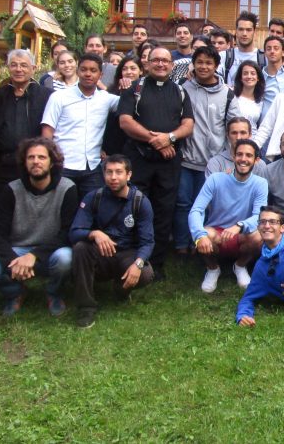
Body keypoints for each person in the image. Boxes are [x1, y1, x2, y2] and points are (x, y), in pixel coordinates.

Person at [0, 137, 77, 317]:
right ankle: (15, 291)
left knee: (66, 259)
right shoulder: (11, 190)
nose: (36, 161)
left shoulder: (67, 189)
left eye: (41, 157)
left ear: (52, 162)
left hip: (50, 251)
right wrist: (14, 261)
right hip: (18, 251)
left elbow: (67, 233)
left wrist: (35, 256)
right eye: (31, 157)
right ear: (24, 162)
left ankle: (54, 292)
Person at [119, 46, 194, 276]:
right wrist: (156, 140)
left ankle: (157, 263)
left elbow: (188, 125)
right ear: (147, 64)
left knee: (164, 211)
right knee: (136, 208)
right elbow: (125, 121)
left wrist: (169, 138)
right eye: (156, 60)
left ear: (172, 66)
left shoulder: (180, 92)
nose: (161, 64)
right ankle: (131, 259)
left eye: (165, 61)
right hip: (139, 160)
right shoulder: (135, 88)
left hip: (168, 164)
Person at [70, 154, 154, 329]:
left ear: (128, 175)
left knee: (145, 273)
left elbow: (148, 241)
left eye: (119, 172)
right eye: (109, 172)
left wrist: (138, 264)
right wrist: (95, 234)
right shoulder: (93, 197)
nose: (113, 177)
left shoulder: (140, 202)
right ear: (104, 175)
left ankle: (121, 290)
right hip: (100, 253)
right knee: (80, 248)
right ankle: (86, 307)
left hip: (126, 253)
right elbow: (74, 232)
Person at [176, 45, 233, 255]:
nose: (203, 66)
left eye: (208, 63)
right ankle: (182, 245)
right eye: (199, 62)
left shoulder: (227, 93)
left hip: (212, 161)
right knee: (183, 203)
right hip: (186, 158)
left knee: (207, 205)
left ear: (216, 66)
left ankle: (201, 243)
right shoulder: (183, 88)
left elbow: (232, 126)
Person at [189, 139, 268, 293]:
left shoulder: (261, 183)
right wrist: (199, 235)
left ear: (256, 160)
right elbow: (196, 210)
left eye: (248, 155)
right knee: (204, 232)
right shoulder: (215, 179)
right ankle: (213, 269)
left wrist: (239, 226)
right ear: (233, 156)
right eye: (239, 154)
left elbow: (259, 216)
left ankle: (240, 266)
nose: (243, 159)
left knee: (260, 235)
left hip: (241, 236)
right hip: (217, 235)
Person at [41, 54, 120, 197]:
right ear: (78, 71)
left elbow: (130, 105)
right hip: (63, 166)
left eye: (93, 70)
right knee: (63, 212)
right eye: (84, 69)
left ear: (100, 74)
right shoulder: (59, 97)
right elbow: (47, 131)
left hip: (92, 168)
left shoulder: (106, 99)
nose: (88, 74)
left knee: (92, 212)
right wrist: (50, 161)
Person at [0, 49, 51, 202]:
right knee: (1, 211)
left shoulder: (47, 96)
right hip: (3, 166)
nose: (18, 69)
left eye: (23, 65)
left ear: (33, 68)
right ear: (8, 68)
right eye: (13, 65)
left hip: (33, 165)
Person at [224, 11, 265, 85]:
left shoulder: (264, 58)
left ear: (254, 32)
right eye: (241, 29)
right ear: (236, 31)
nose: (244, 34)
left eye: (248, 30)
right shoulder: (224, 56)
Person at [260, 35, 284, 121]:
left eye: (276, 48)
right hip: (264, 125)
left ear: (283, 52)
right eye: (269, 49)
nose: (272, 51)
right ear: (265, 53)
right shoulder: (258, 77)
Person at [231, 60, 265, 131]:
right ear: (240, 77)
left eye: (253, 73)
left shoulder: (261, 101)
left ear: (258, 78)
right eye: (245, 73)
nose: (249, 76)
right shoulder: (232, 97)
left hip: (253, 140)